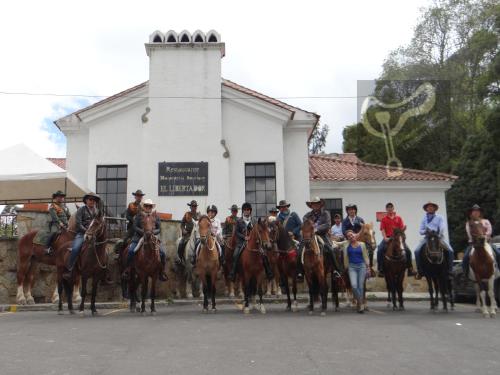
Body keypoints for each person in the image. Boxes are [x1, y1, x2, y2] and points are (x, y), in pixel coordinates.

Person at [122, 199, 168, 281]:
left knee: (163, 253)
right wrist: (143, 232)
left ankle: (162, 272)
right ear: (144, 207)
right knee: (131, 251)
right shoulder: (139, 215)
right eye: (146, 206)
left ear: (151, 207)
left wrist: (151, 232)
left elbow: (159, 228)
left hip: (152, 237)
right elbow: (135, 227)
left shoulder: (155, 216)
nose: (148, 207)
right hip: (138, 237)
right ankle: (128, 269)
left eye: (149, 206)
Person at [298, 197, 341, 281]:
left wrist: (317, 228)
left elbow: (328, 224)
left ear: (320, 205)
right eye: (313, 204)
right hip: (310, 236)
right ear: (311, 205)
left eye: (317, 203)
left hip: (322, 235)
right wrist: (310, 227)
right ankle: (300, 272)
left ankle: (336, 270)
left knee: (330, 249)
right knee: (299, 251)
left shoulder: (326, 213)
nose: (315, 205)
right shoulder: (307, 215)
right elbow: (304, 222)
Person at [228, 202, 273, 281]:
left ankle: (268, 272)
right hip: (242, 241)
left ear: (250, 211)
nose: (246, 211)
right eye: (245, 210)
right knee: (235, 254)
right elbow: (237, 232)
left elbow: (258, 231)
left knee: (263, 253)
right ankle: (233, 273)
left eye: (248, 210)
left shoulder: (254, 220)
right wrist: (244, 237)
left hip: (254, 242)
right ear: (243, 211)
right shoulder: (239, 221)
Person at [63, 193, 100, 280]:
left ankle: (103, 272)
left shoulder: (97, 211)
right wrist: (86, 231)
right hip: (82, 233)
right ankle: (69, 269)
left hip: (94, 234)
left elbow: (98, 223)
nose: (92, 201)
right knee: (75, 248)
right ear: (86, 200)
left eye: (94, 200)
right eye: (90, 199)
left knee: (103, 249)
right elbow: (78, 224)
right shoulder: (81, 210)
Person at [414, 202, 454, 279]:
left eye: (432, 207)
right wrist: (425, 231)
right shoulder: (424, 218)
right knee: (417, 251)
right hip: (427, 238)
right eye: (428, 207)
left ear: (435, 208)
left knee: (450, 251)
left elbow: (442, 227)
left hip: (438, 237)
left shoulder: (440, 217)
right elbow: (420, 230)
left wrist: (438, 234)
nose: (430, 208)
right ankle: (420, 271)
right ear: (426, 209)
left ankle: (450, 270)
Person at [333, 230, 370, 313]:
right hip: (351, 267)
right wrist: (332, 239)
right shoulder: (346, 244)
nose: (351, 236)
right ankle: (360, 302)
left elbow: (366, 257)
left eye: (352, 235)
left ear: (355, 235)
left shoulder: (362, 244)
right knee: (353, 285)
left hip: (361, 266)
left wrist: (368, 267)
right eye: (349, 236)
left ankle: (359, 305)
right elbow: (336, 243)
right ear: (348, 238)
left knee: (360, 286)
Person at [376, 203, 416, 277]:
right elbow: (382, 230)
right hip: (388, 238)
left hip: (397, 238)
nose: (390, 209)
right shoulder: (384, 219)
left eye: (391, 207)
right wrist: (385, 238)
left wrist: (403, 230)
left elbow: (401, 229)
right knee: (380, 250)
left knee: (408, 250)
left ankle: (410, 269)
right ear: (386, 209)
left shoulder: (398, 218)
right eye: (388, 208)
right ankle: (380, 269)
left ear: (393, 208)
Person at [462, 204, 500, 276]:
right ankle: (465, 273)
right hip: (474, 243)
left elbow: (489, 231)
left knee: (498, 254)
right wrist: (476, 238)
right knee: (465, 257)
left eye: (477, 211)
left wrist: (483, 237)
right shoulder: (468, 223)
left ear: (480, 212)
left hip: (486, 242)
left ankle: (499, 270)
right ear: (471, 213)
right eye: (474, 211)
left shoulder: (486, 221)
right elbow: (469, 233)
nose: (476, 212)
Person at [114, 189, 144, 255]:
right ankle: (120, 254)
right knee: (125, 239)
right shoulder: (131, 205)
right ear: (135, 197)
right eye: (138, 196)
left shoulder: (144, 206)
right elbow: (127, 216)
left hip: (141, 228)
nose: (139, 197)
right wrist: (133, 220)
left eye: (140, 196)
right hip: (132, 226)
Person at [45, 190, 71, 255]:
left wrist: (69, 222)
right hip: (56, 224)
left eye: (62, 197)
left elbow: (69, 216)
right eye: (59, 197)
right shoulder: (52, 206)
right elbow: (55, 217)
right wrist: (60, 223)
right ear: (56, 198)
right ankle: (47, 248)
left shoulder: (65, 207)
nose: (61, 198)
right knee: (54, 232)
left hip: (66, 224)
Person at [177, 200, 201, 264]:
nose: (194, 207)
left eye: (195, 206)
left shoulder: (199, 215)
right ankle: (180, 258)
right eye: (192, 206)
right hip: (187, 234)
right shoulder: (187, 214)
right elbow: (182, 224)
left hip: (197, 234)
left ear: (196, 207)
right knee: (181, 243)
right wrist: (183, 230)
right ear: (190, 207)